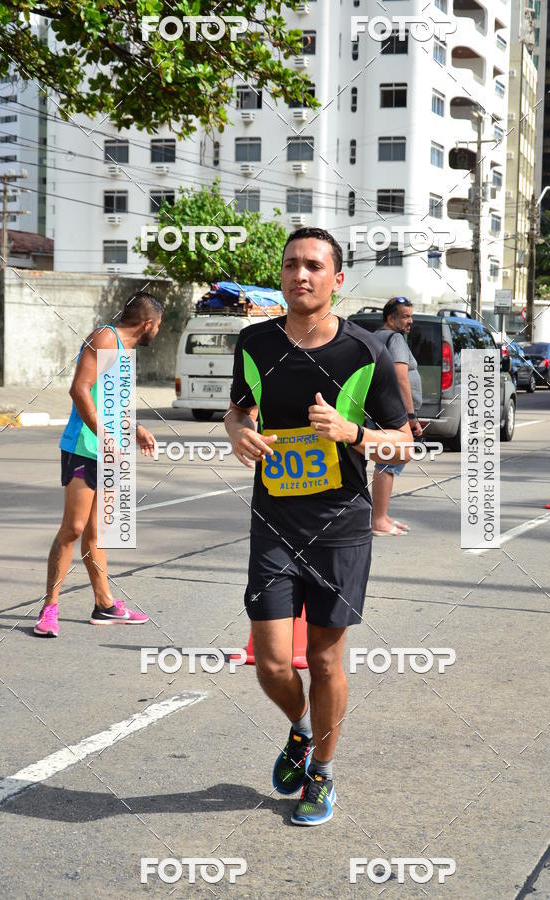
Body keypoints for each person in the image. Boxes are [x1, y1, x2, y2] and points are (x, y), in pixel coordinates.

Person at [225, 227, 413, 826]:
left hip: (341, 525)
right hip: (274, 519)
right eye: (290, 265)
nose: (299, 275)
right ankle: (301, 732)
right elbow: (239, 406)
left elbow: (405, 445)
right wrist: (236, 430)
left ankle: (323, 777)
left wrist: (351, 432)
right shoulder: (253, 342)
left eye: (313, 266)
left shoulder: (367, 352)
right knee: (273, 662)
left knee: (328, 660)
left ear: (335, 279)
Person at [34, 292, 163, 638]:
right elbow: (79, 390)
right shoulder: (104, 338)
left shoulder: (124, 352)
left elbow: (110, 404)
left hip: (109, 451)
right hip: (83, 448)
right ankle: (49, 608)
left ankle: (104, 605)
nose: (157, 332)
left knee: (97, 532)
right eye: (159, 326)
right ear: (149, 323)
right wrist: (106, 436)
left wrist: (134, 430)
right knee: (73, 528)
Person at [371, 297, 423, 536]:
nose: (410, 321)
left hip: (375, 408)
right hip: (392, 411)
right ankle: (379, 520)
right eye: (405, 316)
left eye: (411, 316)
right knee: (389, 462)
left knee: (385, 462)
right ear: (391, 318)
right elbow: (401, 378)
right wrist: (411, 417)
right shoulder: (396, 339)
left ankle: (380, 515)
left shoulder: (374, 336)